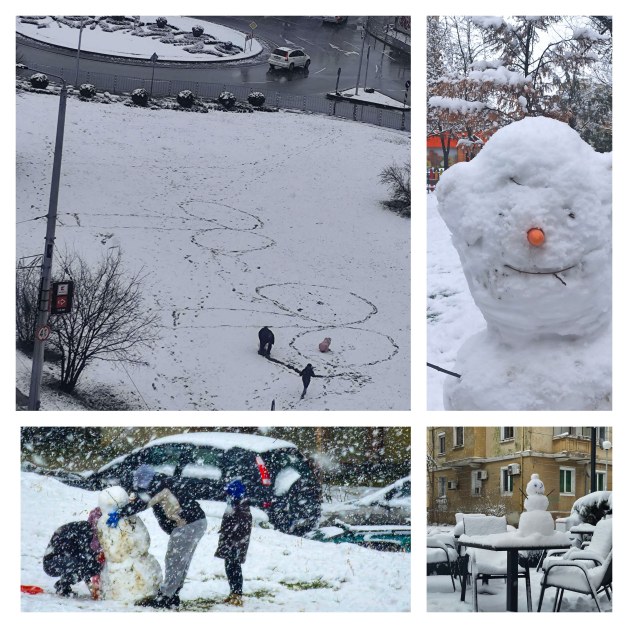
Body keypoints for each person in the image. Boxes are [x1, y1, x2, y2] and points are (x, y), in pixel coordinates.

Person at [107, 464, 207, 609]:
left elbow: (144, 502)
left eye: (143, 484)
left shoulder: (160, 487)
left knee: (175, 560)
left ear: (150, 479)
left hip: (188, 524)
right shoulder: (161, 482)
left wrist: (121, 513)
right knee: (182, 560)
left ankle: (165, 598)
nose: (142, 488)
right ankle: (173, 594)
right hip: (196, 522)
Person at [43, 507, 104, 598]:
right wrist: (93, 590)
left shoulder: (87, 529)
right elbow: (85, 562)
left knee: (88, 566)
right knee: (85, 565)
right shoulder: (86, 531)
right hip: (51, 561)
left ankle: (62, 585)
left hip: (63, 558)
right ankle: (63, 587)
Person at [215, 479, 252, 607]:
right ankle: (232, 592)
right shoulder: (233, 506)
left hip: (236, 544)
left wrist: (230, 535)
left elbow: (241, 528)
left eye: (229, 494)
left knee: (235, 568)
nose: (227, 497)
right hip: (230, 542)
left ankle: (237, 593)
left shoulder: (241, 508)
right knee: (229, 567)